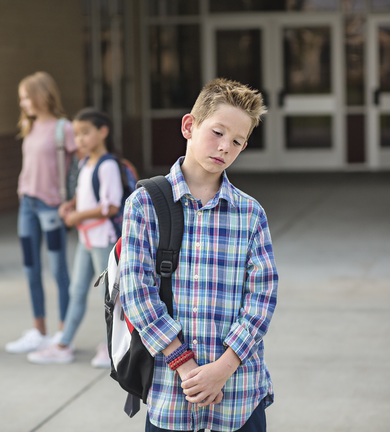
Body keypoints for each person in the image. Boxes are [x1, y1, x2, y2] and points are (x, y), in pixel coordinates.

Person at [119, 78, 278, 432]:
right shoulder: (145, 204)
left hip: (238, 395)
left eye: (236, 141)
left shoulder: (250, 214)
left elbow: (262, 299)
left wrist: (222, 370)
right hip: (173, 392)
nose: (224, 147)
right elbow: (137, 293)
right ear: (190, 126)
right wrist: (187, 366)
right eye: (217, 132)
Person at [27, 108, 123, 367]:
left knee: (110, 297)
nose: (79, 139)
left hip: (103, 239)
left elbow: (110, 206)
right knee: (78, 290)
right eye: (77, 134)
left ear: (103, 132)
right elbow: (85, 195)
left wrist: (78, 216)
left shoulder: (108, 165)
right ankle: (63, 344)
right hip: (87, 239)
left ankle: (113, 347)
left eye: (85, 133)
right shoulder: (85, 163)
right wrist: (71, 205)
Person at [6, 72, 76, 354]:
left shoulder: (64, 128)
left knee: (59, 270)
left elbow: (80, 165)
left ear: (43, 95)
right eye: (21, 98)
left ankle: (63, 333)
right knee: (30, 267)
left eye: (27, 96)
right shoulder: (30, 125)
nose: (23, 103)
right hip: (27, 206)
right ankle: (39, 330)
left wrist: (72, 200)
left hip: (52, 207)